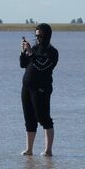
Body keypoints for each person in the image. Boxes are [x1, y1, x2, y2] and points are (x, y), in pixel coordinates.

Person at [19, 23, 58, 157]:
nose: (38, 38)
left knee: (44, 118)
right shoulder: (34, 49)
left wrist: (30, 53)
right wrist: (23, 52)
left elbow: (42, 66)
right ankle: (29, 150)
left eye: (40, 36)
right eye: (36, 36)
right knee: (29, 119)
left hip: (41, 89)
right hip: (27, 88)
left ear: (47, 36)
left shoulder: (52, 52)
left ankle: (48, 150)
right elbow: (23, 64)